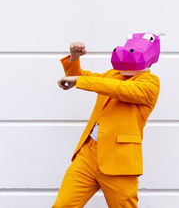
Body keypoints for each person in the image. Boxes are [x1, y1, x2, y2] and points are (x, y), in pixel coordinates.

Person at [53, 32, 164, 207]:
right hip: (88, 154)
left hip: (119, 161)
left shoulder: (150, 84)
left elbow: (118, 89)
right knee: (63, 205)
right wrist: (74, 58)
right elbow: (80, 76)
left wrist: (80, 80)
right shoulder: (113, 75)